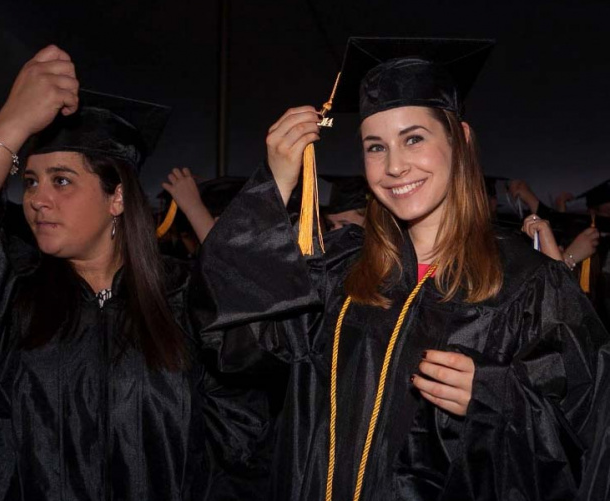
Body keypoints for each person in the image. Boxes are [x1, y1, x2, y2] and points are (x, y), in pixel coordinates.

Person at [191, 37, 610, 500]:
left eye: (413, 138)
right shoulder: (337, 274)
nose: (393, 166)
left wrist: (501, 398)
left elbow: (589, 439)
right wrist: (273, 186)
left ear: (461, 140)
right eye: (375, 147)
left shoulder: (529, 285)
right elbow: (233, 344)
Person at [0, 45, 269, 500]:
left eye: (62, 180)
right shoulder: (6, 294)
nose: (36, 198)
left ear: (116, 199)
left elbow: (234, 446)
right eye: (30, 181)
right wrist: (12, 123)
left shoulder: (185, 298)